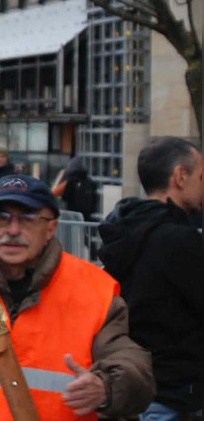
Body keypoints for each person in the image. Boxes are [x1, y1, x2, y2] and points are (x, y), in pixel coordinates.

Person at [0, 173, 154, 421]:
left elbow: (131, 364)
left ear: (51, 228)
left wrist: (106, 387)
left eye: (27, 218)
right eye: (1, 218)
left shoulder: (95, 290)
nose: (13, 230)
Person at [99, 137, 204, 421]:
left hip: (136, 387)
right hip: (176, 392)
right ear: (180, 176)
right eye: (201, 176)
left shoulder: (125, 229)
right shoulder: (178, 240)